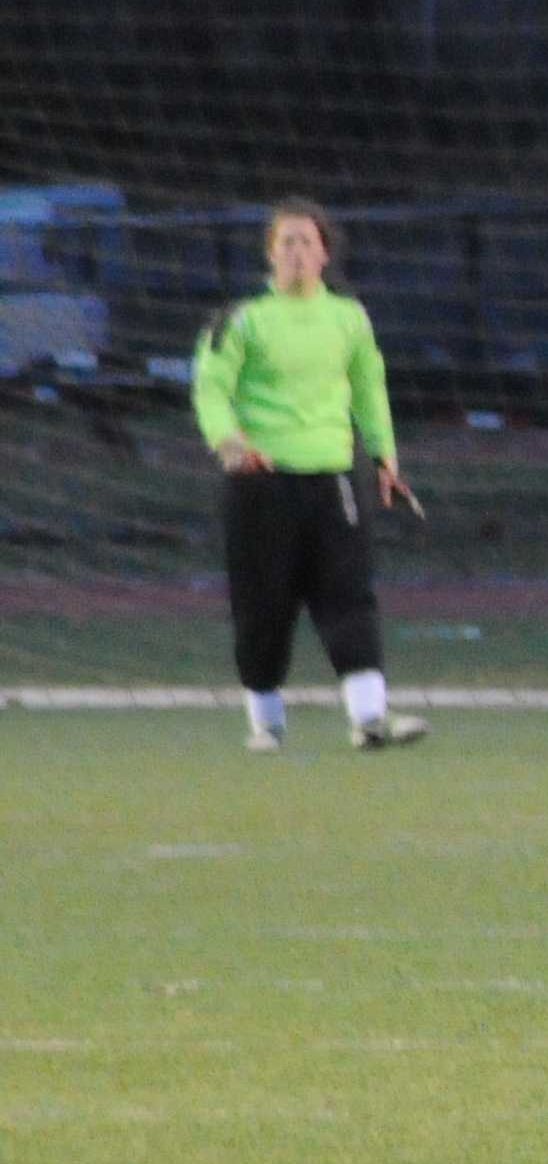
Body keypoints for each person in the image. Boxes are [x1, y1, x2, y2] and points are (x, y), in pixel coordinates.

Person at [192, 202, 426, 755]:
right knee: (263, 605)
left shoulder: (349, 318)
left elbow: (368, 388)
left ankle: (369, 718)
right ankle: (266, 723)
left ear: (324, 253)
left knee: (348, 594)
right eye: (286, 243)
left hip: (333, 479)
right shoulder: (242, 319)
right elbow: (211, 387)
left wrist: (384, 457)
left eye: (306, 242)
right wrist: (230, 442)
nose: (297, 252)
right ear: (270, 254)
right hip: (261, 482)